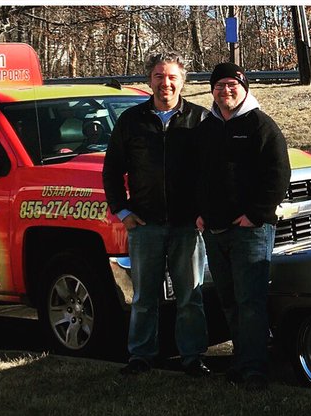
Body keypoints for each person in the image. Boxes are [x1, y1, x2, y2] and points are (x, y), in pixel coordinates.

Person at [103, 51, 209, 377]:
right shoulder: (131, 121)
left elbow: (213, 172)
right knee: (144, 297)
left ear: (183, 81)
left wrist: (205, 212)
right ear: (150, 80)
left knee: (190, 298)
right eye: (159, 76)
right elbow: (111, 171)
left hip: (186, 226)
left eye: (172, 77)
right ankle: (141, 356)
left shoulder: (200, 120)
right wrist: (122, 211)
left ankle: (192, 358)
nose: (166, 83)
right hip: (145, 224)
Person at [197, 62, 290, 391]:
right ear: (212, 91)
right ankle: (240, 360)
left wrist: (256, 214)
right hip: (215, 230)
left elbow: (278, 176)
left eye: (232, 85)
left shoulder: (261, 126)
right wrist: (200, 213)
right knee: (229, 299)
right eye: (219, 85)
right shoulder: (206, 128)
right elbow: (197, 175)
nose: (226, 91)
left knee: (250, 300)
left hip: (251, 231)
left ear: (245, 88)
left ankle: (255, 369)